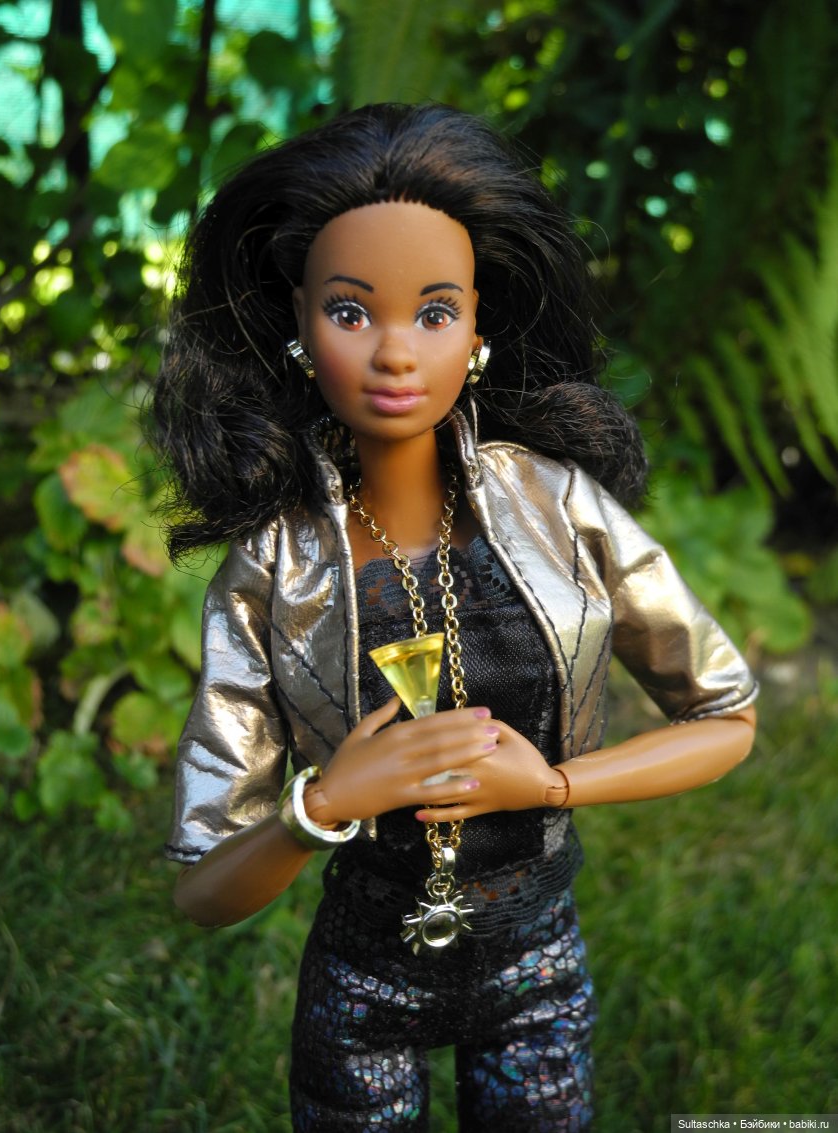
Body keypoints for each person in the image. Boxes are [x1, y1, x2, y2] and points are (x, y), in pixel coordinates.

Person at [154, 103, 757, 1132]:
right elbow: (202, 889)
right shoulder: (272, 572)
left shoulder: (560, 511)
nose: (395, 353)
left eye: (433, 313)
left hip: (536, 962)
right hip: (362, 981)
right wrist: (321, 806)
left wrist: (554, 783)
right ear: (298, 324)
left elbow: (727, 716)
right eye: (351, 312)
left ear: (479, 327)